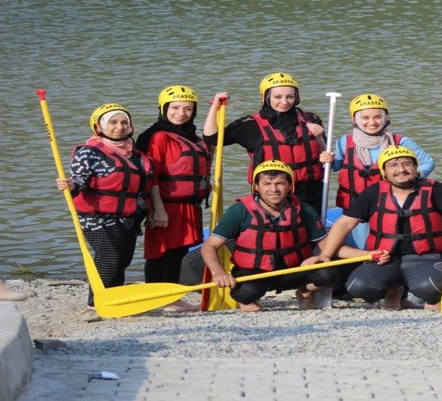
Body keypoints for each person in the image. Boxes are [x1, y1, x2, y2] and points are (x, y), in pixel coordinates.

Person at [306, 146, 442, 311]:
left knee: (429, 287)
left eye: (407, 164)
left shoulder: (436, 189)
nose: (401, 169)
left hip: (426, 256)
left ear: (416, 168)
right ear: (384, 172)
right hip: (385, 258)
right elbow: (344, 223)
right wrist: (326, 255)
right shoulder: (373, 192)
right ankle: (393, 291)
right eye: (393, 165)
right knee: (359, 286)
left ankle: (431, 299)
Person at [201, 160, 377, 312]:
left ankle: (305, 291)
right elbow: (210, 246)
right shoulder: (239, 211)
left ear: (290, 186)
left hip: (295, 270)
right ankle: (248, 301)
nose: (274, 189)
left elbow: (328, 246)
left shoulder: (305, 210)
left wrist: (367, 255)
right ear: (256, 187)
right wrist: (218, 272)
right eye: (267, 184)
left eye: (280, 183)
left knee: (331, 274)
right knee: (246, 291)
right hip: (256, 272)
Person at [56, 104, 152, 309]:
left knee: (122, 261)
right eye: (113, 123)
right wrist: (70, 185)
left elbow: (144, 188)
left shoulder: (136, 155)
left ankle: (114, 299)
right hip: (95, 217)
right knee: (110, 257)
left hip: (128, 217)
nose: (120, 127)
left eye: (124, 122)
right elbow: (77, 181)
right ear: (99, 127)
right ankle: (95, 302)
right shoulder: (89, 153)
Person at [319, 93, 435, 247]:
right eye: (365, 118)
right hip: (357, 206)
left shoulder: (401, 142)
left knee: (389, 242)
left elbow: (428, 163)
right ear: (355, 120)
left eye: (377, 117)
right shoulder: (344, 142)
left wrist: (405, 177)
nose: (372, 122)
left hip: (389, 203)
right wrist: (327, 160)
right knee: (364, 245)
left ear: (386, 117)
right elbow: (336, 166)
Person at [203, 72, 325, 212]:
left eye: (290, 97)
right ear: (266, 97)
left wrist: (320, 137)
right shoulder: (251, 125)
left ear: (296, 97)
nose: (284, 102)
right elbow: (212, 138)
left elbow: (325, 155)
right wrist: (215, 107)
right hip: (272, 193)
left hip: (311, 193)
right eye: (277, 97)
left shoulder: (312, 120)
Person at [135, 85, 210, 312]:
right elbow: (153, 175)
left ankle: (172, 295)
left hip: (187, 205)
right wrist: (157, 209)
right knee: (160, 252)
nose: (181, 113)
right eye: (175, 107)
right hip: (164, 205)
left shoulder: (190, 136)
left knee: (178, 251)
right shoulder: (157, 136)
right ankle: (157, 297)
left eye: (188, 108)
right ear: (163, 108)